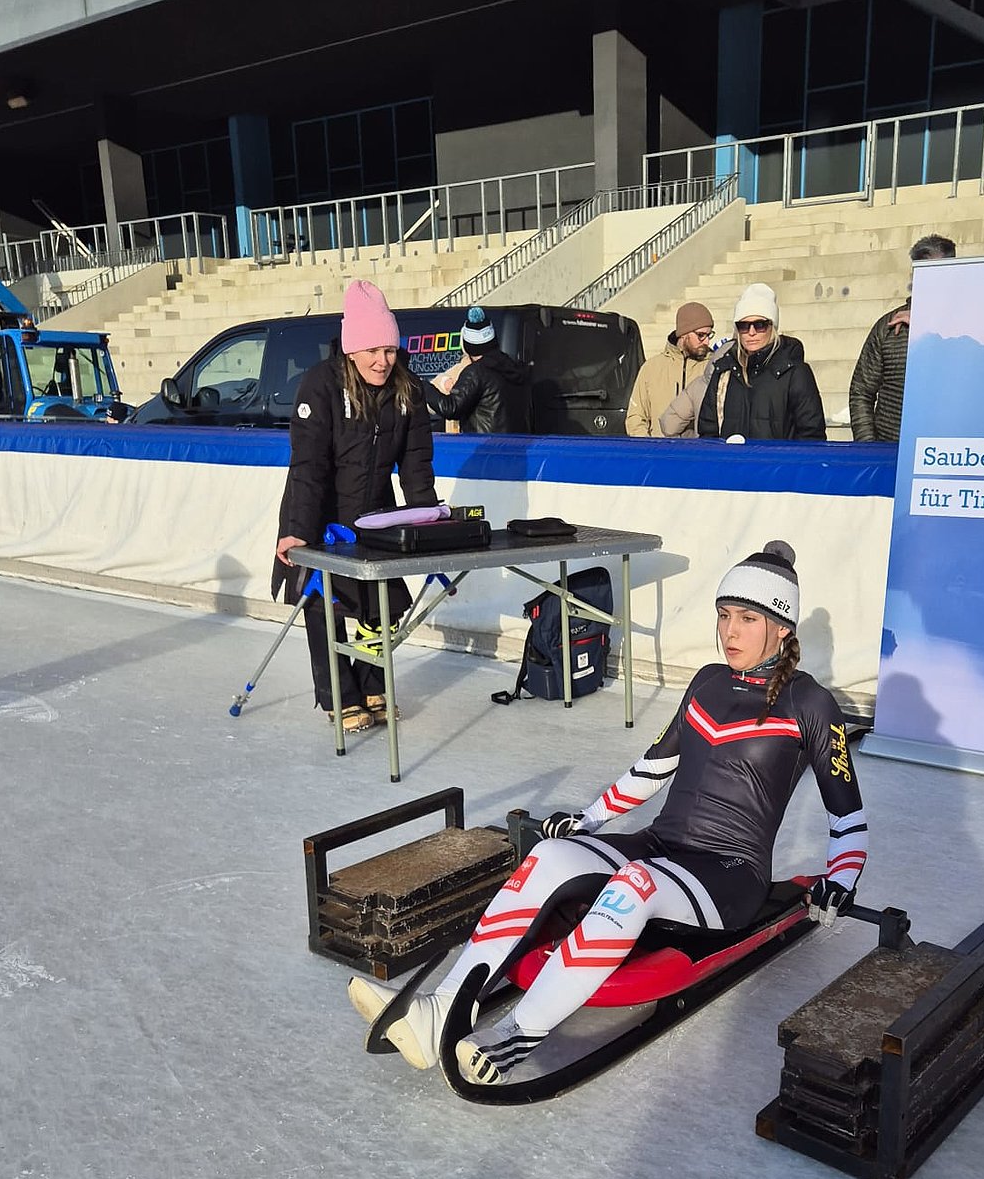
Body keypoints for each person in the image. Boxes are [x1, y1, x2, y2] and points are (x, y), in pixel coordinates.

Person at [348, 540, 867, 1085]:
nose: (729, 631)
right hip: (664, 845)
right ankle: (437, 1013)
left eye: (747, 618)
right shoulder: (708, 682)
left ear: (782, 627)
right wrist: (589, 819)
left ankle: (515, 1036)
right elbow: (652, 768)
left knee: (634, 884)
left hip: (729, 875)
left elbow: (847, 814)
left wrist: (841, 877)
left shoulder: (811, 704)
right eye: (723, 615)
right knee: (550, 855)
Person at [272, 280, 438, 733]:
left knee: (380, 603)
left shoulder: (407, 390)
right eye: (373, 351)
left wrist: (427, 521)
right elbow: (308, 465)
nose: (383, 361)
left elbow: (417, 464)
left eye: (390, 350)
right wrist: (297, 529)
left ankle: (371, 684)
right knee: (325, 604)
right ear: (351, 349)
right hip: (318, 509)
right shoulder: (320, 386)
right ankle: (339, 697)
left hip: (376, 513)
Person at [658, 284, 826, 441]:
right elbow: (708, 434)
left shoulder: (795, 373)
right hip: (730, 463)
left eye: (759, 325)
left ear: (772, 326)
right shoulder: (723, 372)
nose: (751, 332)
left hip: (779, 463)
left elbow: (812, 436)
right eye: (743, 325)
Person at [848, 233, 956, 442]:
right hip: (891, 447)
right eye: (924, 274)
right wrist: (869, 445)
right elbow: (861, 391)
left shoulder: (970, 326)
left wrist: (927, 325)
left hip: (947, 450)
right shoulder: (888, 328)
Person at [424, 305, 530, 434]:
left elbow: (451, 407)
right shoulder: (511, 366)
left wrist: (424, 386)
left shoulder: (476, 372)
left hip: (485, 442)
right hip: (517, 442)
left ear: (468, 346)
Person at [624, 300, 715, 437]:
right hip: (659, 448)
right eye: (701, 335)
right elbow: (636, 418)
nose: (707, 341)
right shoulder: (651, 368)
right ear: (683, 334)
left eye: (709, 335)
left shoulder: (713, 367)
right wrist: (649, 446)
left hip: (699, 449)